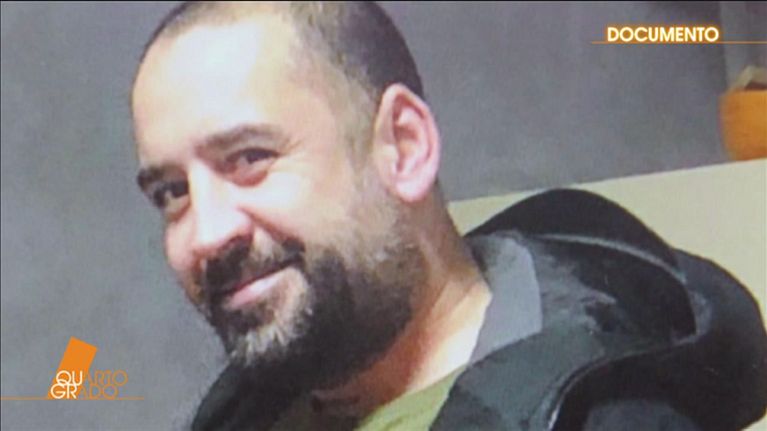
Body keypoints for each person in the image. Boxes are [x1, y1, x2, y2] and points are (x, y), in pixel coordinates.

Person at [131, 2, 767, 430]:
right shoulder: (248, 408)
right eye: (171, 192)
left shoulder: (604, 418)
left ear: (403, 148)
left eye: (249, 158)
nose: (206, 234)